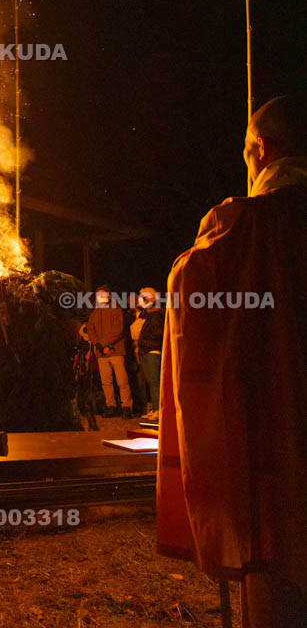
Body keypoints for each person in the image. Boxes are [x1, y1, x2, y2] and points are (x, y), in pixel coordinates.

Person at [157, 95, 307, 628]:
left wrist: (213, 235)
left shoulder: (247, 227)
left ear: (263, 149)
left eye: (248, 152)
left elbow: (190, 289)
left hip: (277, 450)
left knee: (278, 584)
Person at [87, 286, 133, 418]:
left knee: (122, 380)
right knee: (106, 382)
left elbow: (118, 330)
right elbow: (90, 330)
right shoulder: (94, 313)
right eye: (98, 295)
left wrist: (103, 344)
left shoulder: (115, 309)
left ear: (109, 296)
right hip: (102, 353)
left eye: (103, 294)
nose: (100, 297)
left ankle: (126, 407)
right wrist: (98, 345)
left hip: (116, 351)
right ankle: (111, 405)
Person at [133, 287, 165, 418]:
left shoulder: (156, 316)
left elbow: (158, 335)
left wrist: (142, 342)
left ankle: (158, 410)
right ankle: (154, 408)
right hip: (146, 351)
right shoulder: (148, 316)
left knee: (154, 382)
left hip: (152, 351)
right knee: (151, 383)